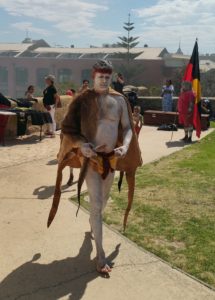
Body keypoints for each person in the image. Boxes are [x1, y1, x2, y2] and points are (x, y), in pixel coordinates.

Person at [61, 60, 133, 274]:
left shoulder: (119, 101)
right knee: (97, 204)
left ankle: (93, 225)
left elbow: (128, 127)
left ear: (110, 78)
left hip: (111, 159)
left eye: (107, 77)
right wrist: (81, 144)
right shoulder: (81, 100)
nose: (103, 80)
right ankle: (100, 256)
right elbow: (67, 129)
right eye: (100, 76)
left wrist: (126, 145)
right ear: (93, 77)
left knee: (101, 205)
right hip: (90, 160)